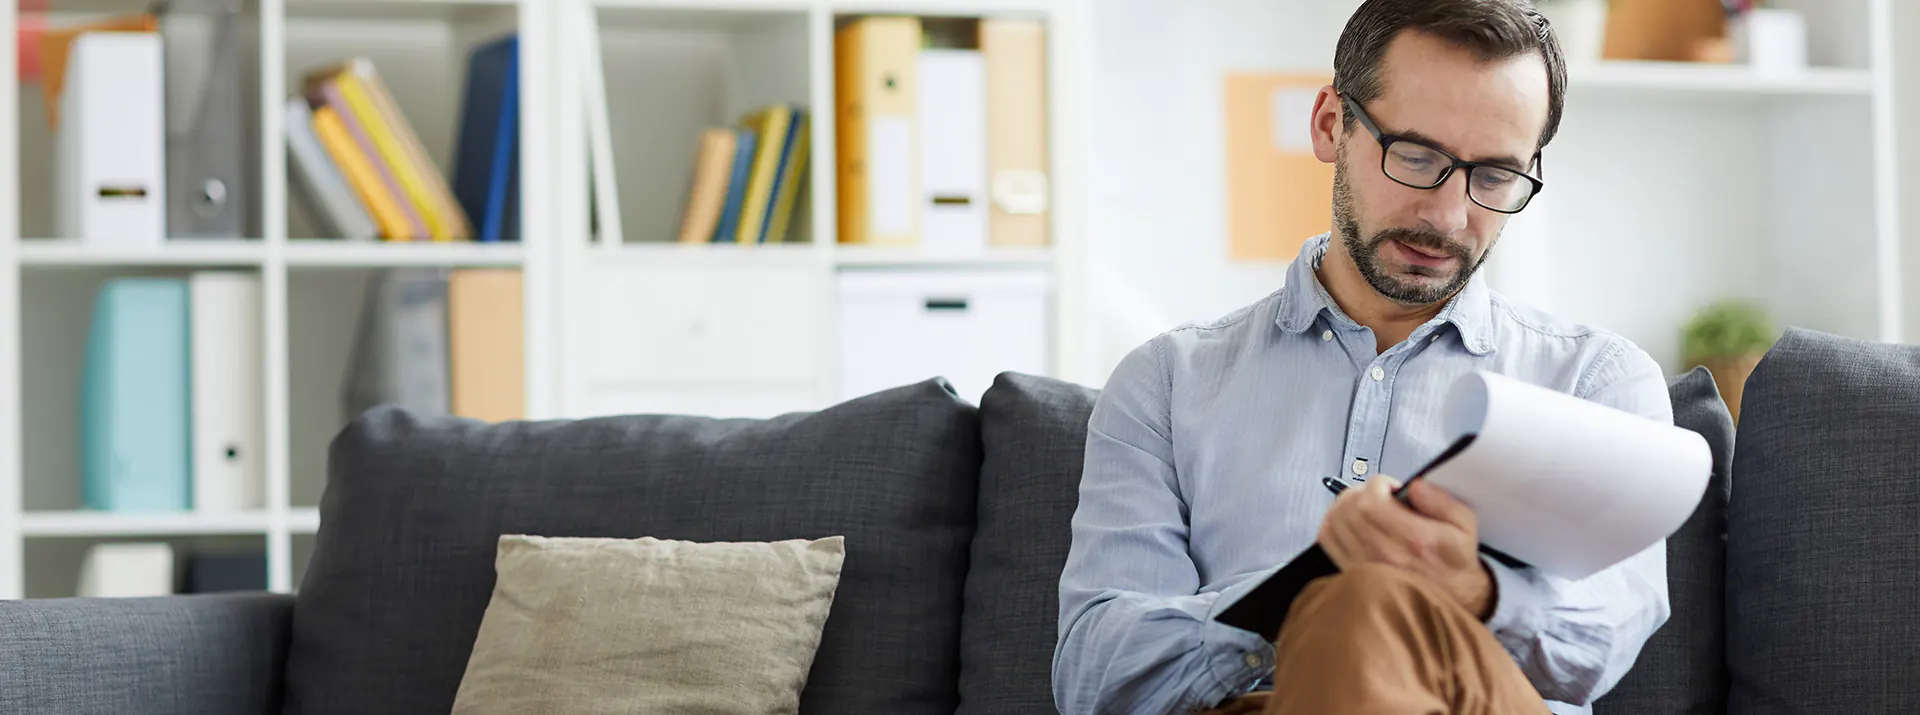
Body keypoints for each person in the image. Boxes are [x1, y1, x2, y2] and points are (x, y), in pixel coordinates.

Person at [1052, 1, 1674, 714]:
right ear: (1330, 126)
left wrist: (1471, 591)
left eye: (1495, 176)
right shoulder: (1165, 382)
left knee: (1369, 604)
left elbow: (1608, 637)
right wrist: (1300, 598)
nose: (1446, 215)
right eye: (1415, 156)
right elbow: (1096, 674)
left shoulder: (1595, 382)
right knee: (1358, 602)